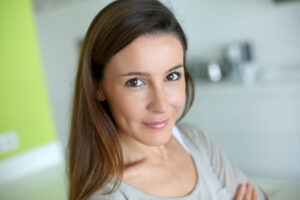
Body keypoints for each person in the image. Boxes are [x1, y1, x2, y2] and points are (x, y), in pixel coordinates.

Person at [67, 0, 268, 200]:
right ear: (98, 87)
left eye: (172, 76)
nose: (161, 105)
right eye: (135, 82)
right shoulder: (108, 195)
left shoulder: (195, 140)